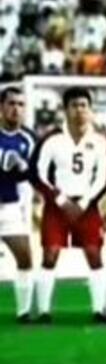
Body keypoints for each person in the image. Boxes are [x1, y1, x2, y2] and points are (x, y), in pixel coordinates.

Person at [32, 87, 106, 323]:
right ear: (65, 110)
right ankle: (43, 311)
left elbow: (103, 177)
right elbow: (37, 173)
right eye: (74, 106)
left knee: (94, 254)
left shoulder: (100, 141)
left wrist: (85, 202)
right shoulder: (52, 139)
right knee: (50, 254)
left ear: (90, 110)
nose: (79, 110)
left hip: (87, 205)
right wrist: (60, 199)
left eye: (84, 106)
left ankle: (100, 310)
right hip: (58, 205)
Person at [0, 87, 36, 323]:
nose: (16, 109)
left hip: (9, 206)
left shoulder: (29, 139)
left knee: (25, 258)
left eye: (21, 105)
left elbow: (30, 174)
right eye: (11, 103)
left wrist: (22, 168)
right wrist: (6, 159)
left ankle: (23, 312)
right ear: (1, 107)